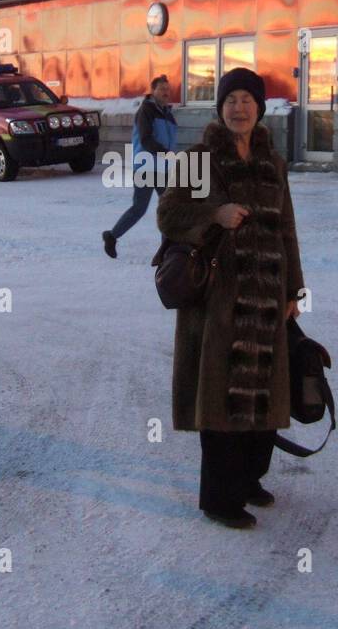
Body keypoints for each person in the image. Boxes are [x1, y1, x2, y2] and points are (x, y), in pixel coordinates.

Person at [157, 67, 304, 529]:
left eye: (248, 99)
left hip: (265, 299)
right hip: (218, 302)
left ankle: (249, 479)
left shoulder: (272, 164)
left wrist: (292, 290)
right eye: (231, 99)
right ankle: (220, 498)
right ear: (220, 108)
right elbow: (169, 215)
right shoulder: (202, 161)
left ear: (259, 108)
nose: (239, 107)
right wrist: (214, 214)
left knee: (262, 395)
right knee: (221, 399)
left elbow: (287, 231)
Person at [103, 75, 178, 258]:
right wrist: (164, 153)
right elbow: (145, 139)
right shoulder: (147, 110)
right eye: (161, 89)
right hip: (145, 166)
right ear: (153, 91)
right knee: (140, 208)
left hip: (162, 167)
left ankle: (166, 250)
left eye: (168, 89)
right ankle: (112, 236)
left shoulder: (167, 112)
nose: (166, 92)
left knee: (169, 208)